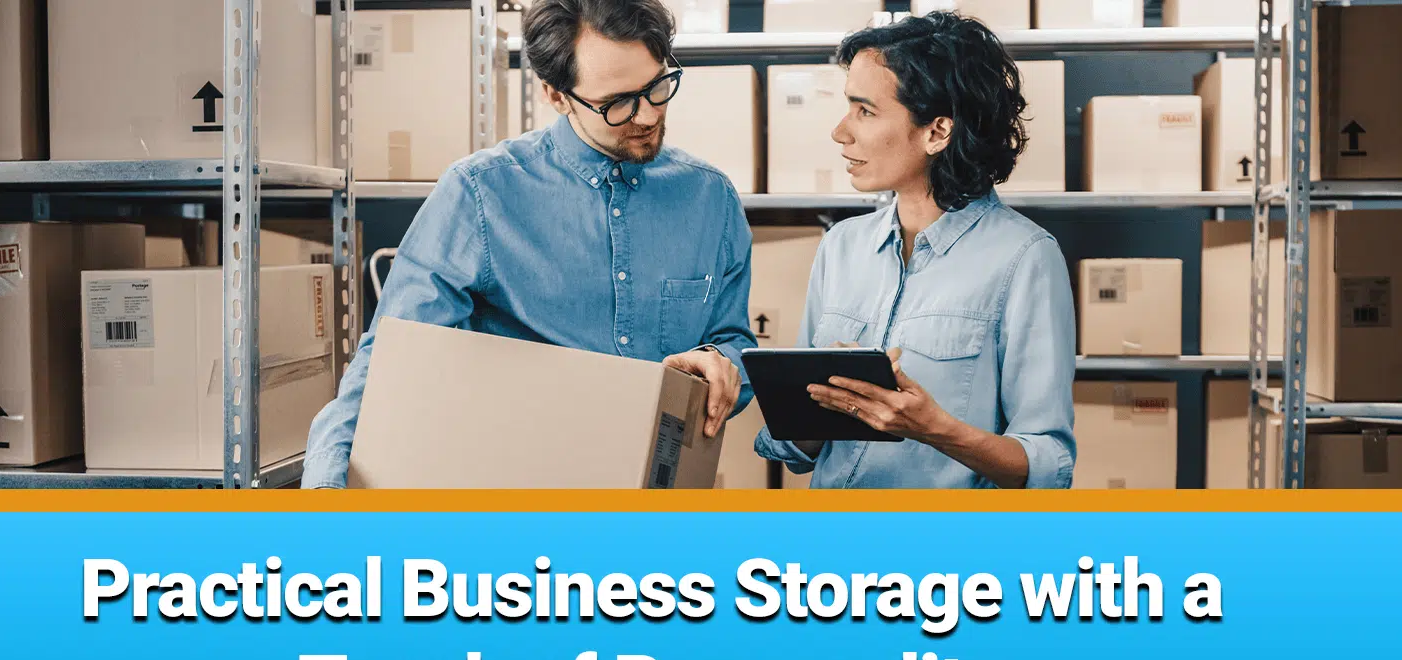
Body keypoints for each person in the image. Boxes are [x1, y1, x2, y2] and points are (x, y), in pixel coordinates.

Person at [302, 0, 756, 488]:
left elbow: (735, 341)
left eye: (658, 87)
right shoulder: (480, 194)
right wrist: (328, 490)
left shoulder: (711, 198)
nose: (647, 115)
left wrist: (721, 364)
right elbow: (389, 363)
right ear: (555, 95)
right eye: (618, 102)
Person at [755, 12, 1076, 489]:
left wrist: (937, 431)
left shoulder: (1024, 257)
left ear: (937, 132)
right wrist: (813, 416)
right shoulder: (842, 246)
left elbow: (1049, 465)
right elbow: (795, 451)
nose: (841, 132)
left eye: (865, 110)